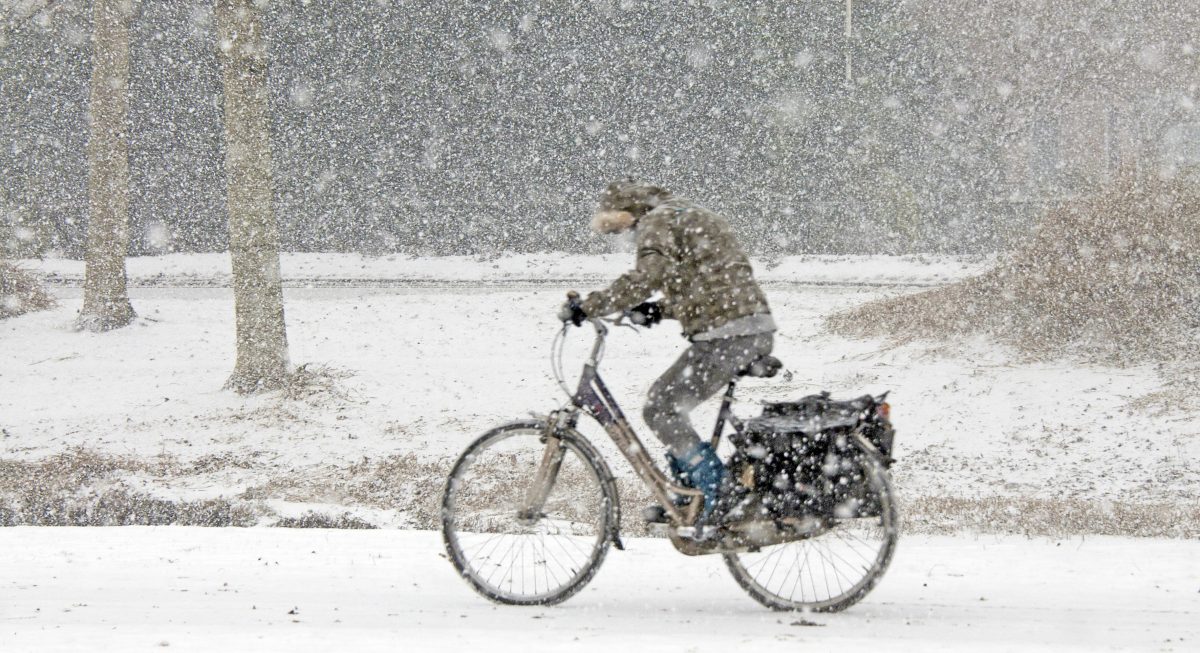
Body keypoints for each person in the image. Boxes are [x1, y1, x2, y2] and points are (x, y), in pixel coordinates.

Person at [561, 180, 776, 522]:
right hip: (746, 327)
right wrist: (659, 310)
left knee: (660, 408)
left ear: (630, 214)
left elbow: (646, 277)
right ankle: (689, 496)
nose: (626, 238)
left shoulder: (657, 222)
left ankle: (718, 493)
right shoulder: (685, 213)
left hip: (730, 335)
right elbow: (711, 282)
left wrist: (590, 306)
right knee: (668, 405)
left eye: (621, 229)